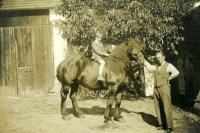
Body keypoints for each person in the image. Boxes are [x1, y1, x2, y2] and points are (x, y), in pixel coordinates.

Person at [144, 51, 179, 133]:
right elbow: (149, 67)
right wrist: (143, 60)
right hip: (156, 88)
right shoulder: (156, 66)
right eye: (157, 58)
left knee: (166, 106)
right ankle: (161, 124)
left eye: (159, 57)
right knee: (157, 106)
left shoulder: (168, 65)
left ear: (163, 57)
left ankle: (169, 126)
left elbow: (176, 72)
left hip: (164, 87)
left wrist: (169, 78)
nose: (158, 59)